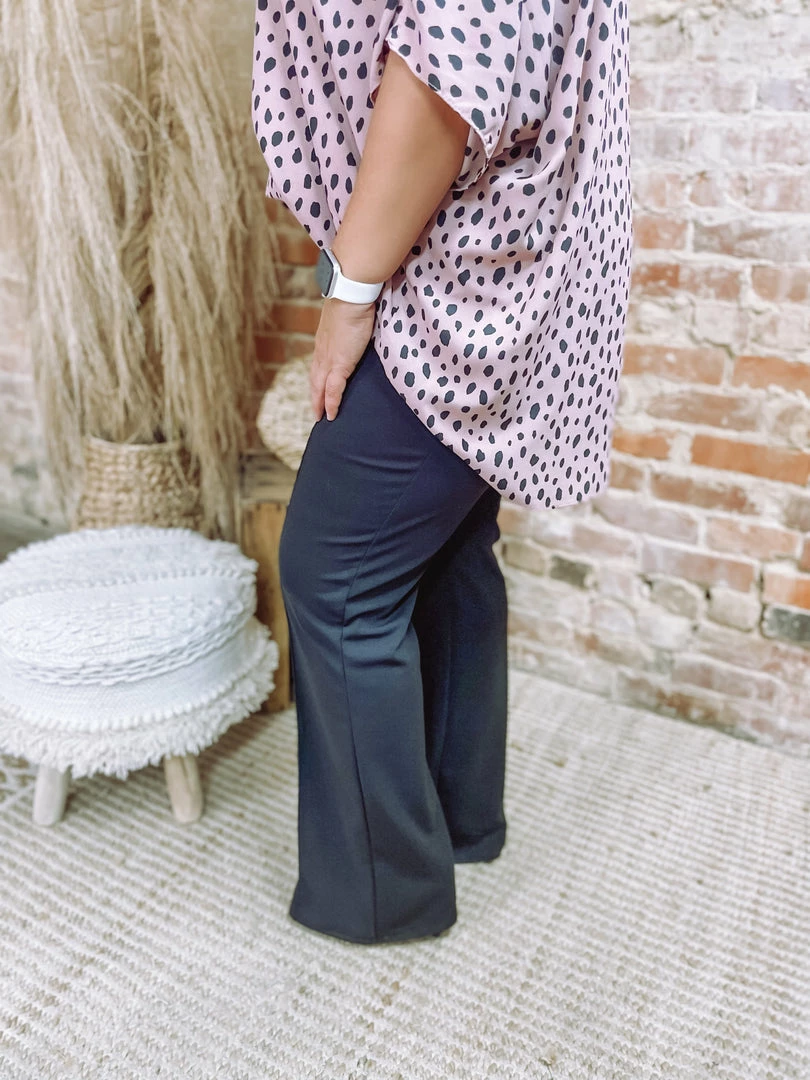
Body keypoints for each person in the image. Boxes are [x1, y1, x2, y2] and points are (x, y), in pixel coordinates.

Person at [251, 0, 633, 944]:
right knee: (450, 548)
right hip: (487, 264)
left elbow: (445, 75)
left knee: (336, 579)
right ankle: (462, 822)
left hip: (446, 274)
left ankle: (388, 895)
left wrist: (350, 291)